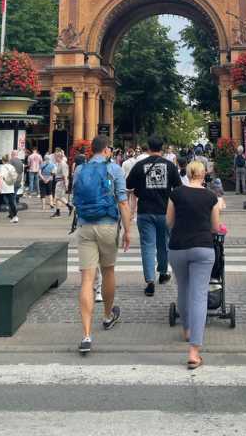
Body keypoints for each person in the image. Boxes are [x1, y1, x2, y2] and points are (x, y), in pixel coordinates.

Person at [73, 134, 131, 354]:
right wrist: (127, 231)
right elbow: (123, 202)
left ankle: (86, 335)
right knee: (108, 271)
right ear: (106, 150)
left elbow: (74, 197)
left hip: (85, 225)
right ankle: (107, 316)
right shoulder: (114, 169)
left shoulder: (80, 170)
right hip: (108, 224)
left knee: (87, 279)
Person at [166, 160, 220, 370]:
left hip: (178, 247)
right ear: (204, 174)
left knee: (183, 288)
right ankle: (194, 351)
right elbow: (215, 227)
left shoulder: (176, 194)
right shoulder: (210, 196)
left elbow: (169, 221)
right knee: (199, 296)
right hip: (203, 248)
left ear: (187, 173)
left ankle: (187, 328)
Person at [126, 134, 181, 296]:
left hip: (144, 211)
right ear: (162, 147)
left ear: (148, 148)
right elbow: (178, 187)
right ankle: (163, 273)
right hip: (165, 211)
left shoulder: (139, 165)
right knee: (164, 243)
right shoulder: (170, 166)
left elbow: (129, 185)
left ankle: (150, 281)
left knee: (147, 246)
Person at [0, 154, 18, 223]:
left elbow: (1, 178)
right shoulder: (12, 167)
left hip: (3, 187)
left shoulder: (3, 167)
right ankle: (15, 217)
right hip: (10, 186)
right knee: (11, 203)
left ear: (3, 160)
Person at [51, 149, 72, 218]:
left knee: (59, 197)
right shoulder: (59, 164)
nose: (54, 159)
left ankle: (69, 206)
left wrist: (66, 184)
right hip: (59, 181)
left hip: (61, 182)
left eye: (55, 157)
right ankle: (58, 211)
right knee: (57, 197)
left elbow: (65, 175)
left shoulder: (63, 164)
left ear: (58, 157)